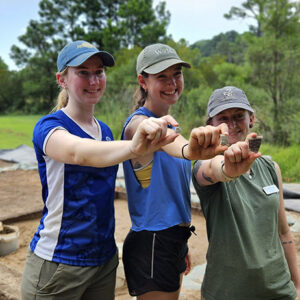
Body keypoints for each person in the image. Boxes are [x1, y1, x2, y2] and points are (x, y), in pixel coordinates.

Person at [21, 40, 181, 300]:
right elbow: (78, 153)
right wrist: (134, 146)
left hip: (104, 263)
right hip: (59, 261)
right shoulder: (49, 127)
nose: (94, 80)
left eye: (99, 72)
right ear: (61, 79)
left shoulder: (105, 131)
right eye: (83, 72)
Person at [121, 43, 227, 300]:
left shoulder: (172, 126)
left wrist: (182, 242)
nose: (172, 83)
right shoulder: (139, 125)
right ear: (142, 81)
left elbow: (169, 191)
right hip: (153, 242)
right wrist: (193, 150)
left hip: (170, 239)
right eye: (161, 77)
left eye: (176, 74)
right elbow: (150, 131)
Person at [192, 86, 300, 300]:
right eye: (223, 118)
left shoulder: (271, 168)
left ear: (251, 119)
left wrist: (297, 285)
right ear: (211, 125)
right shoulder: (205, 166)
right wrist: (227, 170)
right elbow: (210, 171)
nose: (232, 125)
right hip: (227, 293)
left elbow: (283, 233)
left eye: (239, 116)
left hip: (278, 290)